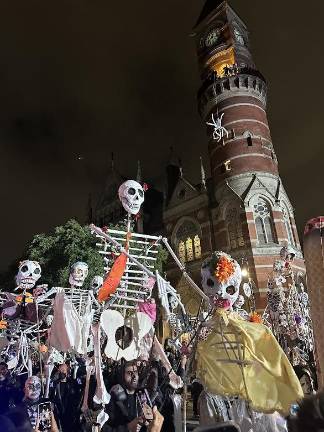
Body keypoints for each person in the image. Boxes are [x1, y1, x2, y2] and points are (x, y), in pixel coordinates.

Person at [50, 362, 81, 432]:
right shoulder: (55, 384)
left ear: (67, 372)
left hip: (71, 414)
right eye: (60, 371)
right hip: (59, 414)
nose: (61, 372)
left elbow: (78, 396)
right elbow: (51, 397)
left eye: (63, 370)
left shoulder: (73, 383)